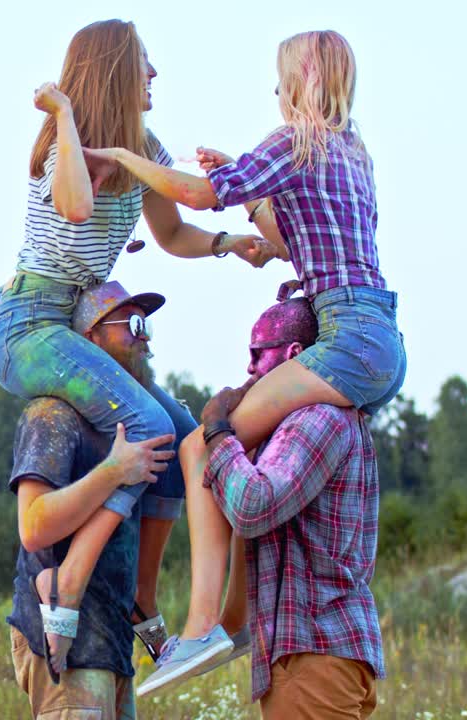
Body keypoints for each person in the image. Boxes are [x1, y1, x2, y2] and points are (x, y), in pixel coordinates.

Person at [92, 30, 406, 690]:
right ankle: (234, 624)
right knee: (256, 450)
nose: (274, 90)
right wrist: (247, 179)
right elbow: (287, 236)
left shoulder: (293, 138)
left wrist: (129, 156)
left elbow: (201, 196)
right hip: (380, 338)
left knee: (205, 445)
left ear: (303, 77)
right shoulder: (355, 152)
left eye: (281, 76)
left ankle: (204, 629)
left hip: (343, 338)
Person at [0, 18, 267, 678]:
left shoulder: (147, 146)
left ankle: (143, 600)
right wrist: (62, 115)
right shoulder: (64, 145)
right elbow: (79, 208)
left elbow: (170, 232)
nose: (153, 76)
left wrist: (229, 244)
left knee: (174, 436)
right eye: (143, 64)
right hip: (31, 325)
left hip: (72, 325)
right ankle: (70, 581)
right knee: (142, 424)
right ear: (114, 70)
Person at [172, 297, 385, 717]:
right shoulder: (317, 418)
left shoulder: (317, 417)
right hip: (322, 653)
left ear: (294, 356)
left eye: (257, 354)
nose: (250, 368)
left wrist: (216, 432)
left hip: (315, 655)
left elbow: (253, 506)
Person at [8, 280, 181, 719]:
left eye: (148, 328)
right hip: (67, 645)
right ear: (89, 341)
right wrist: (114, 471)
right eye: (132, 324)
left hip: (110, 639)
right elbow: (33, 528)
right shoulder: (53, 414)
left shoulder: (128, 423)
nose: (145, 338)